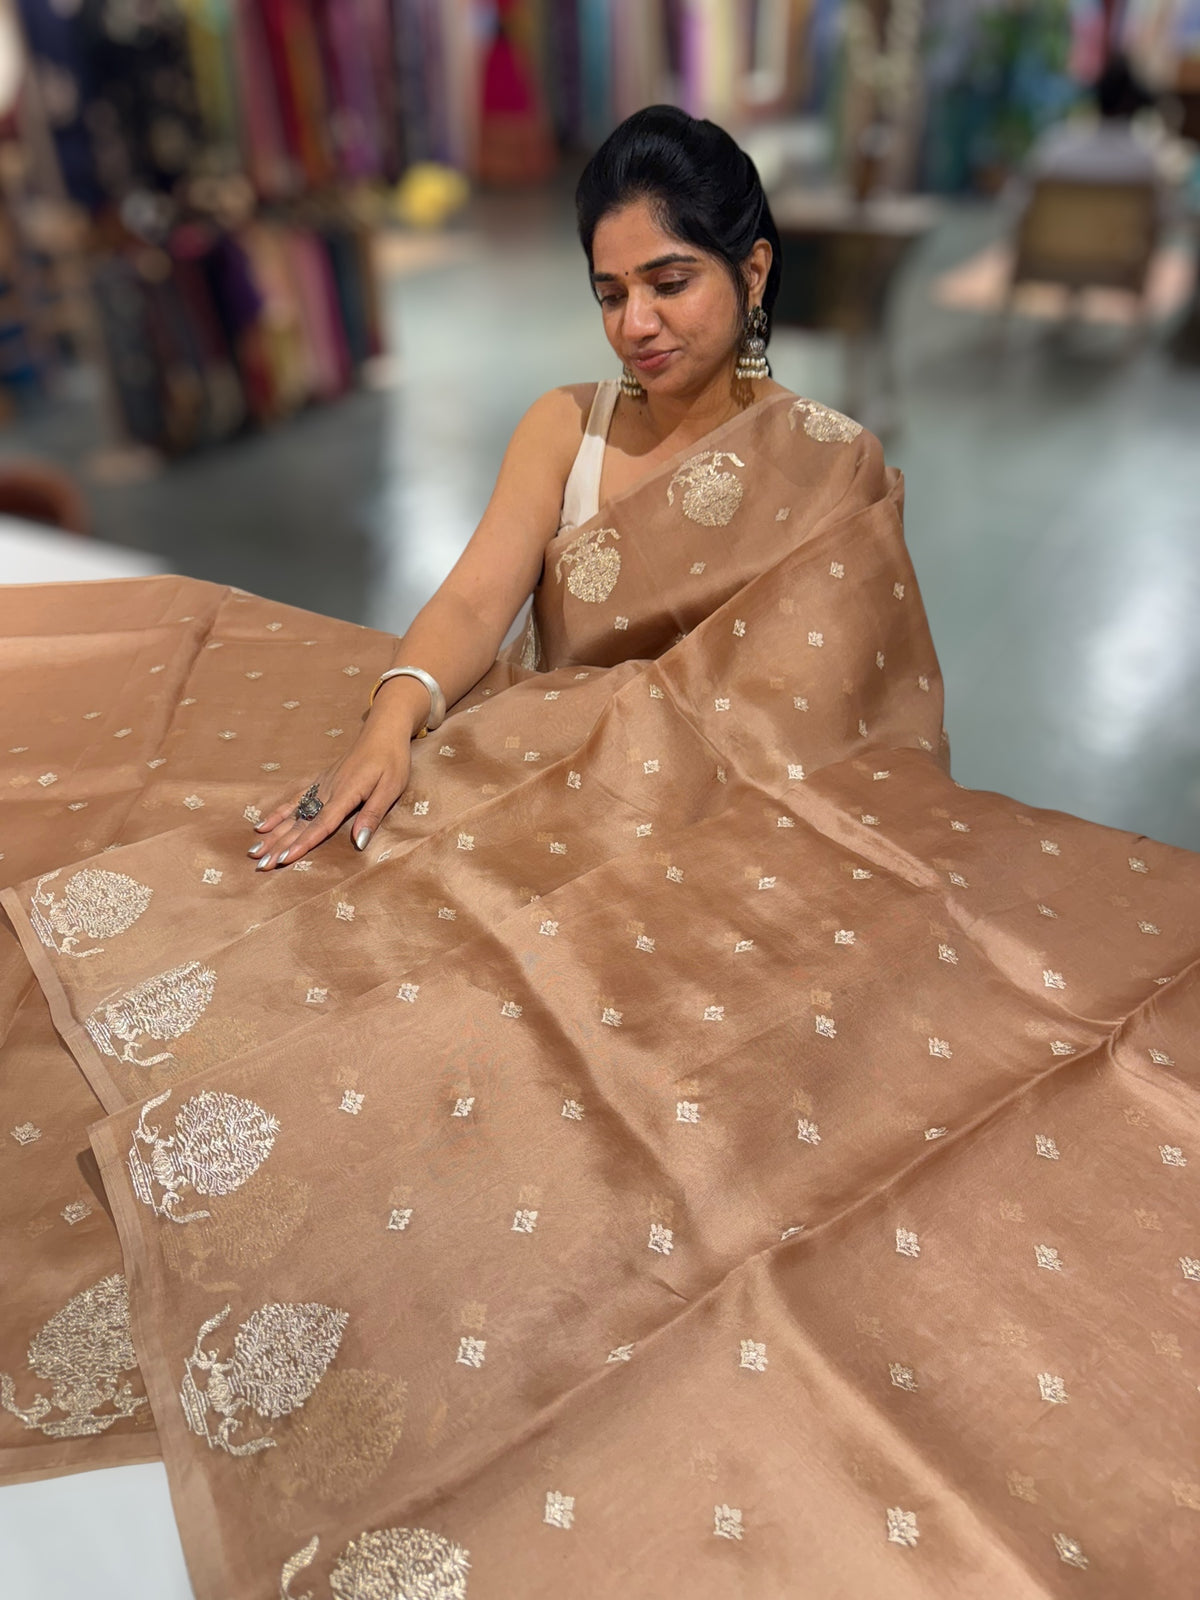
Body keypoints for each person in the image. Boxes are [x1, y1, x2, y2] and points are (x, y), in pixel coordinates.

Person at [1, 106, 1197, 1600]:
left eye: (673, 280)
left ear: (754, 274)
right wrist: (394, 723)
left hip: (725, 831)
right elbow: (468, 604)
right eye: (611, 290)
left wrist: (676, 771)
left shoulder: (827, 467)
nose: (638, 322)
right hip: (533, 776)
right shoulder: (563, 427)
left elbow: (843, 728)